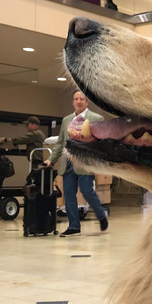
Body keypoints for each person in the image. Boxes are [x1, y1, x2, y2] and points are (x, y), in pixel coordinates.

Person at [44, 90, 108, 237]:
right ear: (73, 102)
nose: (79, 101)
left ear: (87, 102)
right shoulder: (66, 120)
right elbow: (60, 143)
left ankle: (101, 215)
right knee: (68, 194)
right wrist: (51, 159)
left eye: (82, 99)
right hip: (68, 163)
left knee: (87, 191)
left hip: (85, 163)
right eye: (76, 99)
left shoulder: (96, 118)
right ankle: (74, 226)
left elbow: (101, 141)